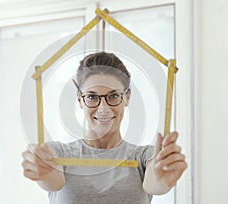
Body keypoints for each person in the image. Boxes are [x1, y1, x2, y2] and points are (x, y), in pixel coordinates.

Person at [21, 52, 187, 203]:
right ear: (79, 99)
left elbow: (154, 183)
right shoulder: (59, 153)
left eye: (113, 96)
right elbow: (52, 180)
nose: (103, 108)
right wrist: (43, 171)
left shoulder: (144, 157)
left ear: (127, 97)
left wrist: (161, 176)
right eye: (92, 97)